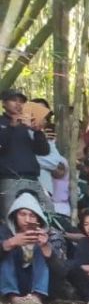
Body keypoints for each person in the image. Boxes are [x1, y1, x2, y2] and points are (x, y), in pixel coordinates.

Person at [0, 88, 52, 216]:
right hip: (10, 179)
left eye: (21, 101)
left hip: (33, 179)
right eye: (13, 100)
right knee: (13, 217)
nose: (18, 104)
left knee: (48, 213)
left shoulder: (27, 124)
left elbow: (44, 151)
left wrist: (37, 131)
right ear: (4, 103)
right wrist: (11, 126)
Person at [0, 191, 56, 304]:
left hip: (36, 284)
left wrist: (46, 248)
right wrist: (10, 243)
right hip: (8, 283)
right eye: (22, 214)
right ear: (15, 215)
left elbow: (62, 272)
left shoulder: (50, 235)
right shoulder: (4, 232)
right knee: (9, 250)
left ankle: (37, 296)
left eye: (32, 215)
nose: (27, 220)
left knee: (39, 251)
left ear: (38, 218)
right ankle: (13, 296)